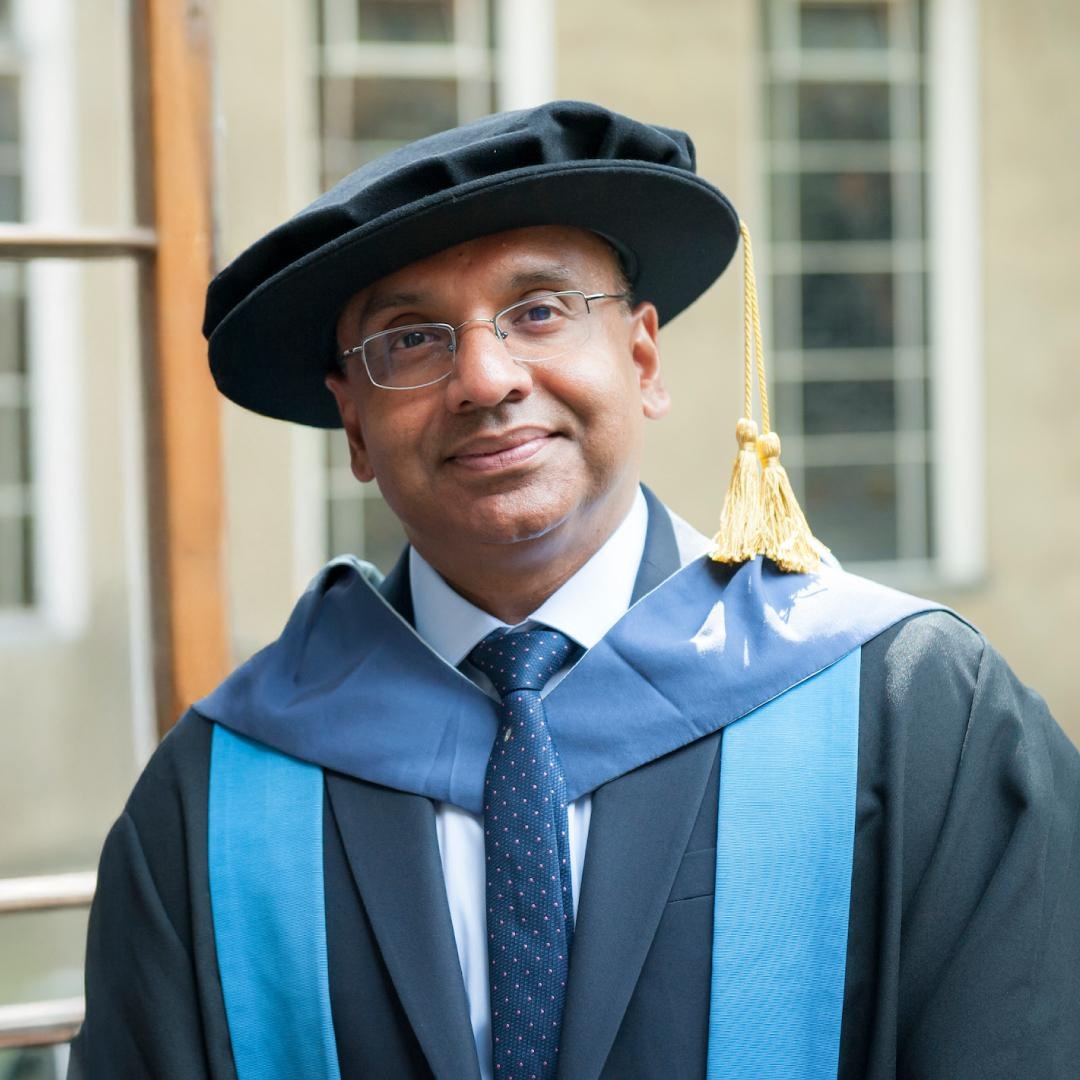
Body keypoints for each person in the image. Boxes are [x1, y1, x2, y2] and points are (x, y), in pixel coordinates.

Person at [69, 101, 1079, 1080]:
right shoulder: (216, 793)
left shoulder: (913, 714)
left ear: (641, 356)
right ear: (356, 431)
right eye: (411, 339)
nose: (485, 377)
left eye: (540, 310)